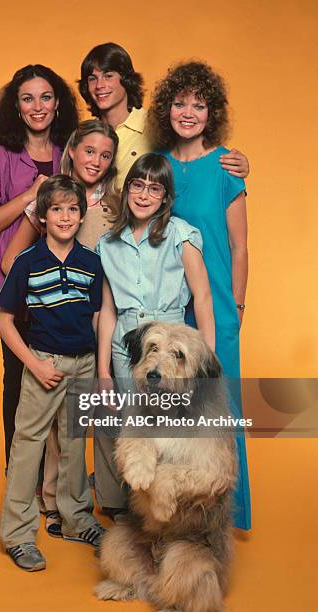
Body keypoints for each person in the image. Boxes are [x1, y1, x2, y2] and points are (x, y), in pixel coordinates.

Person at [148, 60, 251, 530]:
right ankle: (175, 514)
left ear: (213, 113)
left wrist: (239, 308)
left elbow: (239, 246)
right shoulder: (158, 167)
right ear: (166, 108)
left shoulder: (228, 167)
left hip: (218, 307)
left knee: (219, 409)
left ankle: (226, 513)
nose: (188, 112)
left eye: (199, 104)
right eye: (180, 102)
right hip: (172, 305)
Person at [0, 65, 78, 489]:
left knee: (65, 384)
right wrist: (31, 195)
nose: (38, 106)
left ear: (58, 102)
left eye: (46, 97)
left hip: (67, 288)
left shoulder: (69, 151)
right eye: (28, 98)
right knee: (18, 381)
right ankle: (19, 478)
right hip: (17, 288)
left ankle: (55, 483)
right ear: (15, 105)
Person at [95, 152, 214, 514]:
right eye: (137, 185)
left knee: (168, 432)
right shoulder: (109, 244)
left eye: (154, 188)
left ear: (165, 197)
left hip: (169, 342)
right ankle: (119, 510)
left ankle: (162, 513)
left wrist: (203, 361)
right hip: (127, 346)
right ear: (127, 189)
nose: (144, 195)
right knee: (129, 429)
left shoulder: (181, 235)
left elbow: (203, 296)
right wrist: (103, 372)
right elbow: (108, 310)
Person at [0, 175, 105, 571]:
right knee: (28, 445)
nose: (64, 216)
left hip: (84, 364)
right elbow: (5, 321)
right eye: (56, 209)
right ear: (42, 217)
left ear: (81, 216)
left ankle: (76, 518)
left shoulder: (92, 262)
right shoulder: (27, 263)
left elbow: (96, 318)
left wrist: (98, 369)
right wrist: (35, 364)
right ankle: (17, 533)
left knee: (75, 443)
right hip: (43, 362)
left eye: (72, 209)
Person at [78, 42, 249, 187]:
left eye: (108, 76)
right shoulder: (85, 134)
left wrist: (237, 163)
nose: (100, 85)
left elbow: (196, 147)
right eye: (92, 78)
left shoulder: (154, 123)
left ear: (126, 80)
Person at [1, 118, 120, 275]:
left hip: (104, 298)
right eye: (89, 151)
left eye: (105, 156)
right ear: (72, 150)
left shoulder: (118, 204)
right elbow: (9, 263)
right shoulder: (48, 196)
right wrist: (46, 287)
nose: (96, 162)